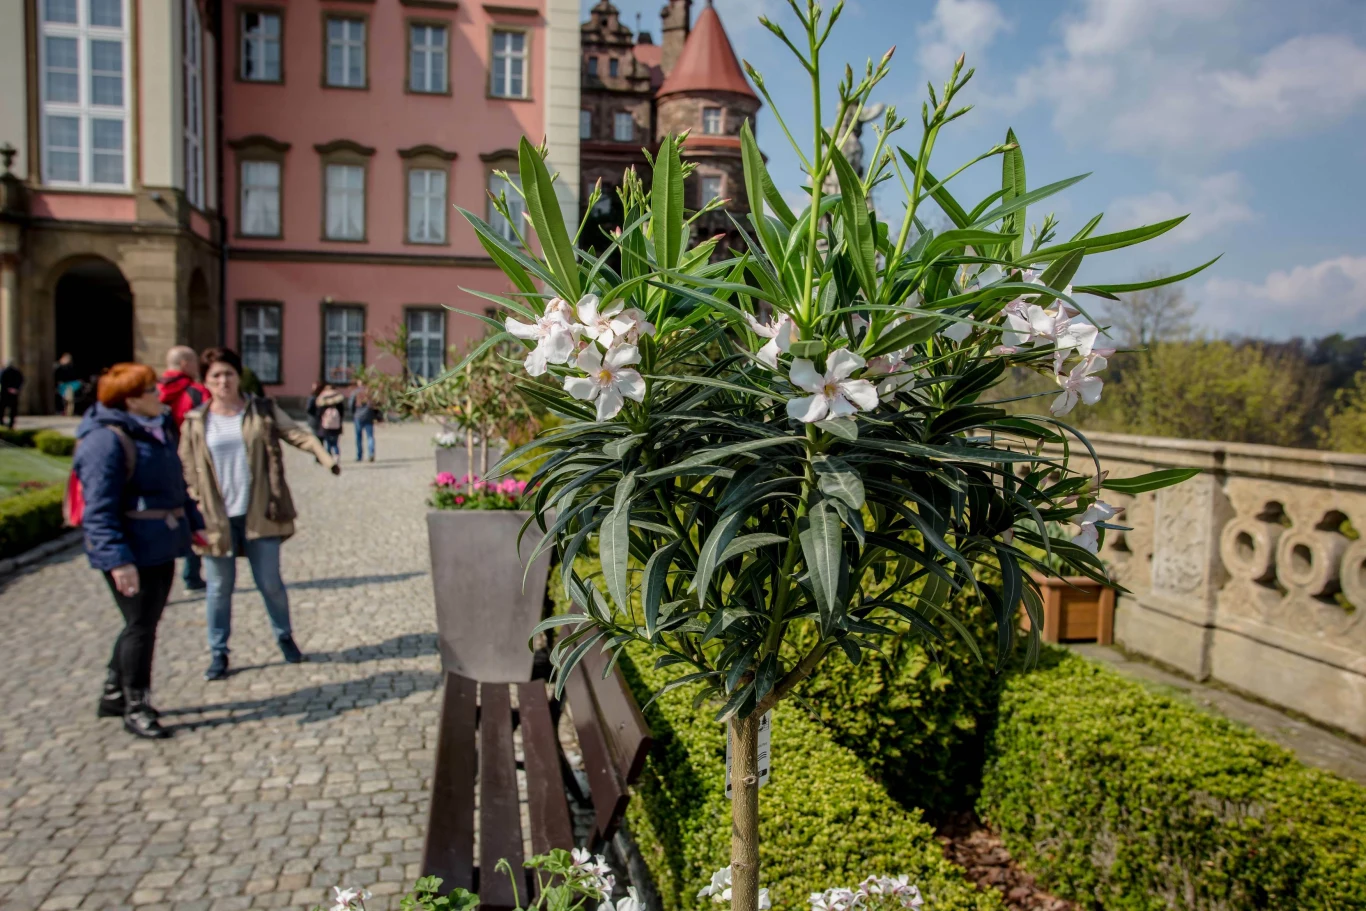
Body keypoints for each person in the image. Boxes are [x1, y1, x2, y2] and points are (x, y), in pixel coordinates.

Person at [178, 348, 340, 681]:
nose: (223, 381)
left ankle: (285, 637)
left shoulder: (260, 411)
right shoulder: (196, 421)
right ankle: (218, 652)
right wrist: (192, 500)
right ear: (205, 382)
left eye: (229, 374)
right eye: (216, 376)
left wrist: (325, 457)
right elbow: (183, 465)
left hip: (259, 511)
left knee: (270, 582)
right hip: (216, 517)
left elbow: (296, 434)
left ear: (238, 376)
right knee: (219, 588)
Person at [74, 363, 203, 739]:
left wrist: (194, 523)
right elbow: (98, 510)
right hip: (131, 549)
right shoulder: (106, 440)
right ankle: (136, 704)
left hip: (160, 543)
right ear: (130, 399)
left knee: (143, 622)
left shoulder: (155, 429)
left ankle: (114, 692)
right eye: (150, 389)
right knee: (141, 627)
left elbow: (174, 484)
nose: (158, 394)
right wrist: (118, 560)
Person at [158, 346, 212, 590]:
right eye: (192, 362)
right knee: (195, 514)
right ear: (184, 364)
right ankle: (192, 574)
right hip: (191, 461)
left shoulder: (153, 391)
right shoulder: (196, 391)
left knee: (160, 519)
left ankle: (160, 574)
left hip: (160, 463)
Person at [314, 385, 346, 458]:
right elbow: (342, 413)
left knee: (328, 442)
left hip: (326, 425)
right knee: (335, 443)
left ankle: (329, 456)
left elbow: (319, 413)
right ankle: (337, 455)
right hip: (336, 425)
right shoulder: (338, 400)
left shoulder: (323, 400)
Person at [350, 386, 376, 462]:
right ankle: (371, 454)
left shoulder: (355, 393)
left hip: (358, 416)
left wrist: (354, 414)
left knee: (358, 437)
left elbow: (351, 404)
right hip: (368, 416)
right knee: (370, 437)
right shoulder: (370, 393)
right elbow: (375, 405)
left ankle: (359, 455)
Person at [0, 360, 22, 429]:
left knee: (2, 409)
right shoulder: (17, 372)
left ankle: (1, 422)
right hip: (13, 393)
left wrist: (7, 388)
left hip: (4, 393)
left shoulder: (4, 371)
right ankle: (11, 424)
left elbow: (1, 381)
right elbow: (21, 380)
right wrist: (15, 389)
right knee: (13, 410)